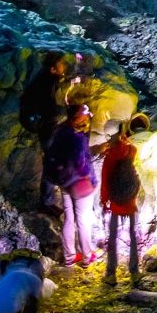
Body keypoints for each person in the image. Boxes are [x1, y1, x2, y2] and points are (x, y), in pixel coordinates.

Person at [45, 102, 99, 267]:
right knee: (83, 220)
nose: (87, 118)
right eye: (85, 116)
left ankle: (69, 257)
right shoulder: (77, 138)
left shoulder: (59, 131)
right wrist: (92, 181)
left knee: (69, 219)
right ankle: (87, 257)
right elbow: (82, 165)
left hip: (64, 182)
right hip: (80, 185)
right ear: (78, 118)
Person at [99, 113, 148, 286]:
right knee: (133, 236)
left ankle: (111, 274)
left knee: (112, 237)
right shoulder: (131, 149)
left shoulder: (110, 157)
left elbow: (105, 182)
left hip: (116, 204)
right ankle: (134, 272)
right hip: (130, 201)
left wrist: (104, 201)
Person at [20, 52, 76, 149]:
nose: (64, 65)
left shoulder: (45, 77)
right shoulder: (47, 83)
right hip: (34, 120)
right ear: (53, 69)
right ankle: (49, 148)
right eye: (61, 63)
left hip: (31, 116)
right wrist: (66, 110)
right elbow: (49, 110)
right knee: (58, 119)